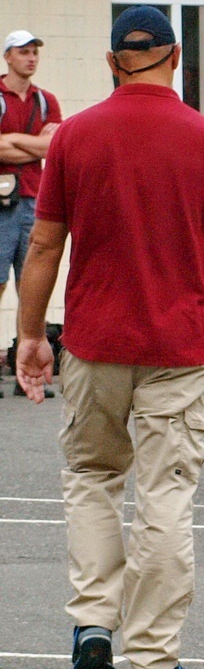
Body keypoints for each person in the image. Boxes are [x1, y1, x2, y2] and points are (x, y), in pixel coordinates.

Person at [15, 6, 204, 669]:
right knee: (164, 495)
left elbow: (43, 243)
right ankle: (152, 657)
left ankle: (93, 624)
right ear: (175, 58)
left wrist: (32, 334)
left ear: (112, 61)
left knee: (92, 478)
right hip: (178, 349)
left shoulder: (76, 136)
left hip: (93, 344)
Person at [0, 29, 62, 397]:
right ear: (8, 57)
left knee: (31, 285)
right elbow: (44, 147)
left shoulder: (45, 100)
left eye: (35, 52)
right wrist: (37, 146)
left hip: (34, 201)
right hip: (1, 203)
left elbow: (55, 148)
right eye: (24, 52)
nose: (31, 58)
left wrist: (12, 142)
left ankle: (26, 368)